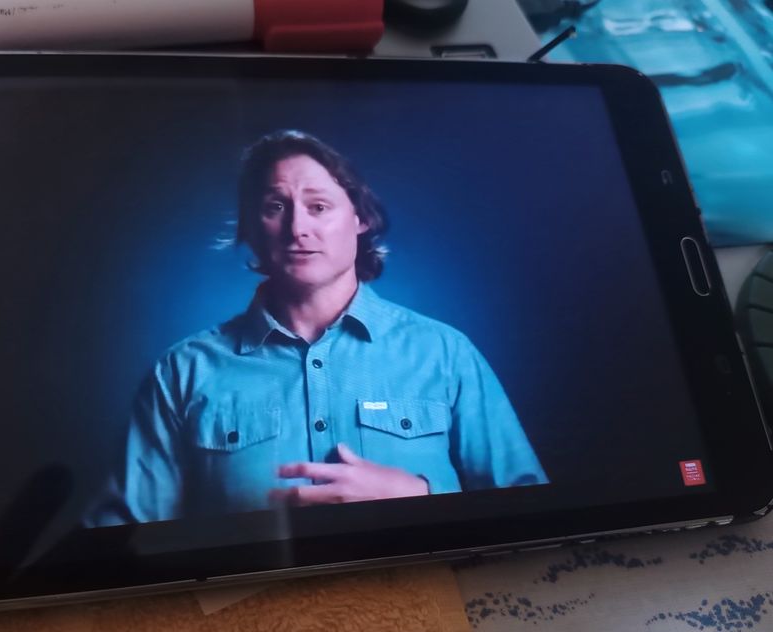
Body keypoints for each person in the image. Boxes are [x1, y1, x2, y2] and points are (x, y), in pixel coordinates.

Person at [86, 130, 547, 526]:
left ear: (360, 218)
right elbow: (122, 542)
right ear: (251, 226)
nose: (298, 228)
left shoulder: (445, 353)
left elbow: (530, 512)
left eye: (319, 205)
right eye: (275, 206)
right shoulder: (182, 372)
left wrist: (422, 498)